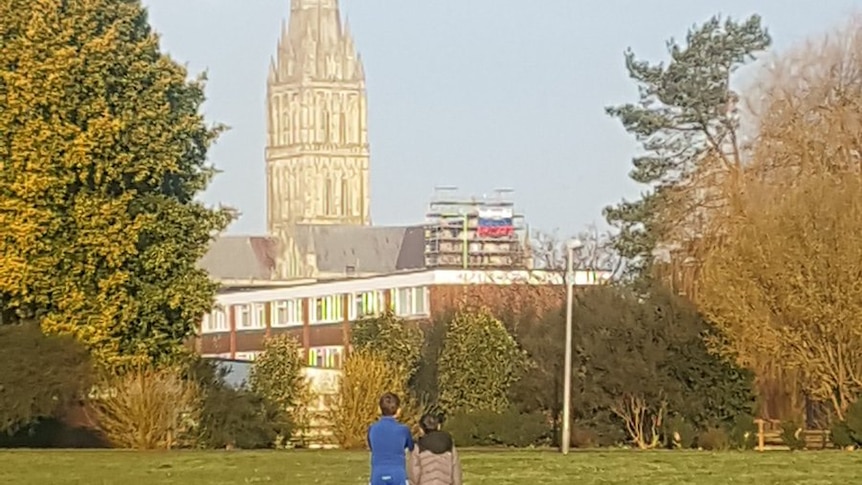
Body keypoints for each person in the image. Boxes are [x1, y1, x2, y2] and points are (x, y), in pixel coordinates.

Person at [367, 392, 414, 485]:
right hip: (398, 473)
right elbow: (411, 447)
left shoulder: (372, 428)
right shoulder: (403, 429)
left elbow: (371, 446)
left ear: (379, 409)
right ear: (398, 410)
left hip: (377, 473)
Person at [408, 414, 462, 485]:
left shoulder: (418, 447)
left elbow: (414, 474)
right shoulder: (449, 445)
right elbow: (456, 473)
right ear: (438, 426)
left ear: (421, 429)